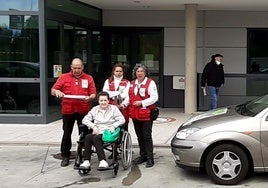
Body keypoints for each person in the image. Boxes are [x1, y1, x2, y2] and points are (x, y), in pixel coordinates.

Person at [51, 57, 96, 167]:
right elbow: (53, 90)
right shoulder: (64, 77)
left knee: (85, 134)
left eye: (79, 68)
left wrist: (89, 98)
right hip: (68, 110)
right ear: (71, 67)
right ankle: (65, 156)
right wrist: (57, 92)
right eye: (74, 68)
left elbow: (93, 94)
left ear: (82, 67)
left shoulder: (88, 78)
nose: (76, 70)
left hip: (83, 110)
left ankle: (85, 156)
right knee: (67, 133)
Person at [79, 91, 125, 169]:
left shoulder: (113, 109)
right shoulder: (95, 109)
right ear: (98, 101)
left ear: (108, 101)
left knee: (96, 138)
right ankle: (86, 161)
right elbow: (85, 120)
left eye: (105, 100)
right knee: (88, 137)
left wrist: (114, 126)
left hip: (109, 132)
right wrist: (93, 126)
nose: (103, 102)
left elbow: (122, 120)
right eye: (101, 101)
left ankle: (103, 161)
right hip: (97, 130)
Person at [129, 64, 158, 168]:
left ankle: (150, 158)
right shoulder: (132, 83)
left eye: (141, 71)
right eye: (138, 71)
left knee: (147, 136)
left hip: (146, 114)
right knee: (139, 136)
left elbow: (154, 98)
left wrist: (142, 103)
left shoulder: (150, 83)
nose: (139, 73)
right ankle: (143, 155)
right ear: (135, 73)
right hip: (135, 114)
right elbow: (129, 97)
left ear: (145, 73)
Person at [102, 63, 130, 131]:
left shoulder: (127, 82)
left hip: (122, 107)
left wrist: (123, 104)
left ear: (123, 72)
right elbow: (105, 93)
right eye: (117, 71)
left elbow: (127, 95)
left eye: (120, 71)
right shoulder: (108, 81)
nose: (118, 73)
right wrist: (118, 93)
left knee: (123, 125)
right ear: (113, 72)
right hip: (110, 106)